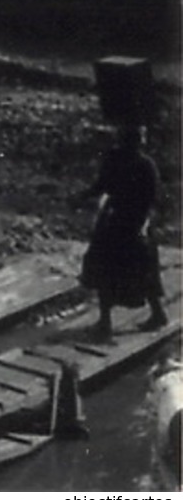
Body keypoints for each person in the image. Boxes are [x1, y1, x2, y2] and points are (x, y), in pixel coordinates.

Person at [76, 123, 167, 340]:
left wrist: (143, 225)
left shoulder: (146, 166)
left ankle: (157, 314)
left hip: (135, 222)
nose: (138, 143)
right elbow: (102, 185)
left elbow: (152, 199)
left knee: (144, 271)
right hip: (115, 220)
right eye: (135, 139)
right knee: (103, 268)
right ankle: (105, 322)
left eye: (140, 139)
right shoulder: (116, 159)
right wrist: (81, 197)